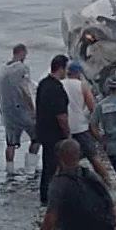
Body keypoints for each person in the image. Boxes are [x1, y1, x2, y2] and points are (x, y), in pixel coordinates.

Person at [62, 61, 111, 185]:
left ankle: (67, 184)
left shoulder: (59, 84)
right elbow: (92, 108)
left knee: (64, 159)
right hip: (80, 126)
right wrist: (97, 128)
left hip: (63, 127)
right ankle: (108, 182)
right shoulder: (82, 86)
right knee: (93, 157)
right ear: (77, 73)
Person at [0, 44, 39, 174]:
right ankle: (30, 169)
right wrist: (32, 110)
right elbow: (25, 89)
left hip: (7, 113)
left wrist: (1, 111)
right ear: (22, 53)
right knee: (37, 138)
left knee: (10, 144)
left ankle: (10, 170)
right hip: (22, 111)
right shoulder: (22, 68)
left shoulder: (2, 70)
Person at [34, 55, 71, 205]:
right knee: (54, 166)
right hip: (55, 133)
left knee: (47, 166)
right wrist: (68, 134)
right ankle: (51, 198)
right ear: (61, 68)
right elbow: (61, 115)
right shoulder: (57, 88)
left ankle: (45, 195)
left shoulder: (43, 84)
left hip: (43, 130)